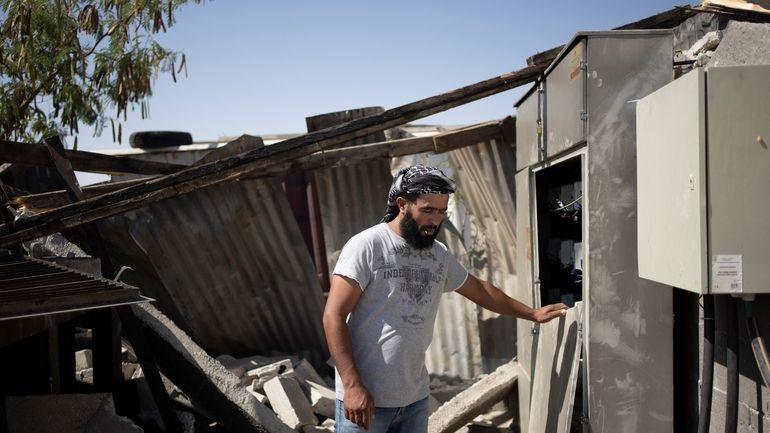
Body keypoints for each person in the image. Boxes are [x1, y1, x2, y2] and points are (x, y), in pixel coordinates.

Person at [322, 164, 568, 433]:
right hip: (365, 400)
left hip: (414, 400)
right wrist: (352, 385)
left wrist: (531, 314)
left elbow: (481, 290)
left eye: (441, 211)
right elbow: (333, 315)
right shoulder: (368, 245)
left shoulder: (437, 254)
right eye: (427, 210)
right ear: (402, 204)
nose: (435, 220)